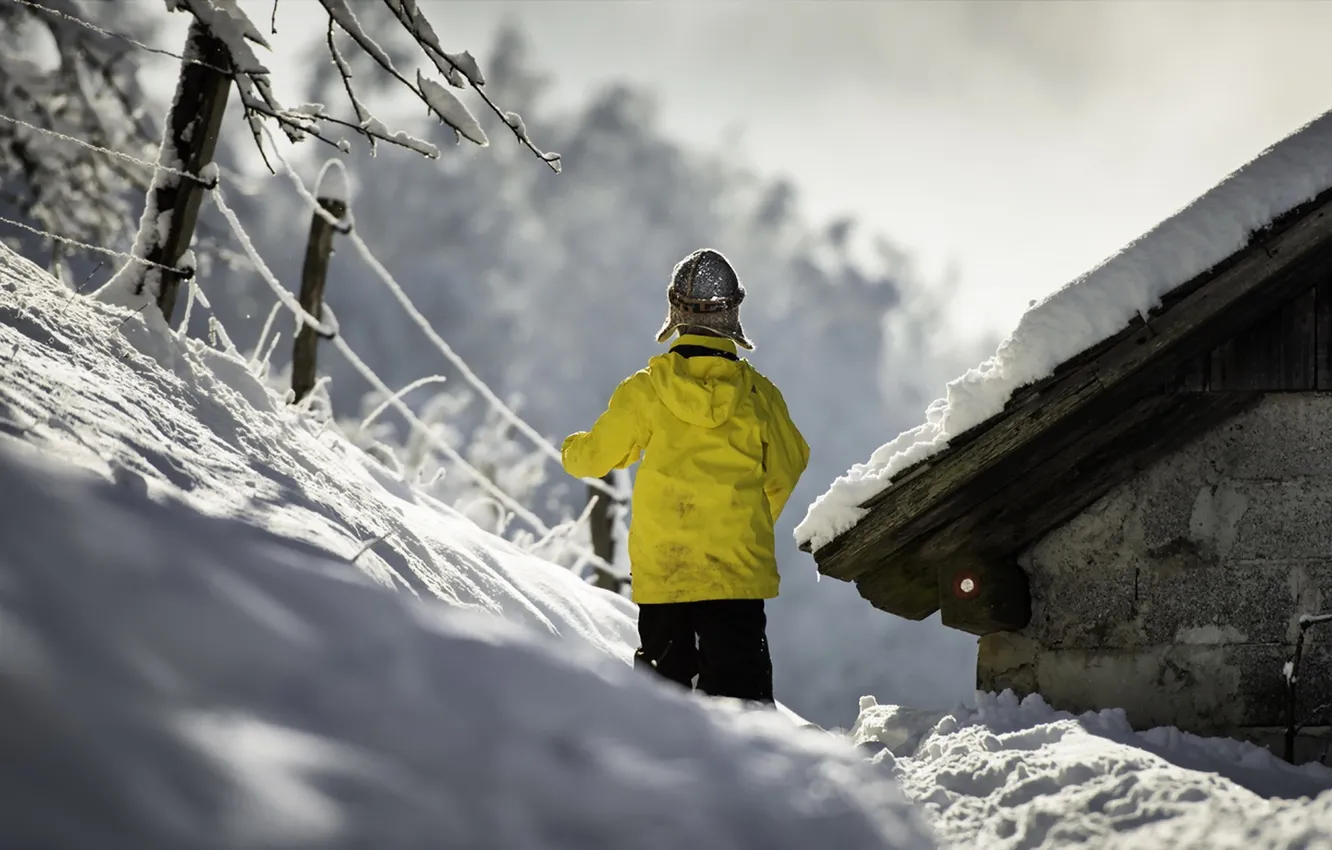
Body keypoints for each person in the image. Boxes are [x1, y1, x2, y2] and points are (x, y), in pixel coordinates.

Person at [561, 248, 810, 704]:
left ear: (674, 311)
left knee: (661, 701)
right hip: (736, 569)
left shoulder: (647, 390)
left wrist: (569, 449)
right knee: (742, 699)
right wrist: (750, 518)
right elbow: (790, 464)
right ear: (734, 312)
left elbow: (593, 459)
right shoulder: (759, 394)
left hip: (665, 569)